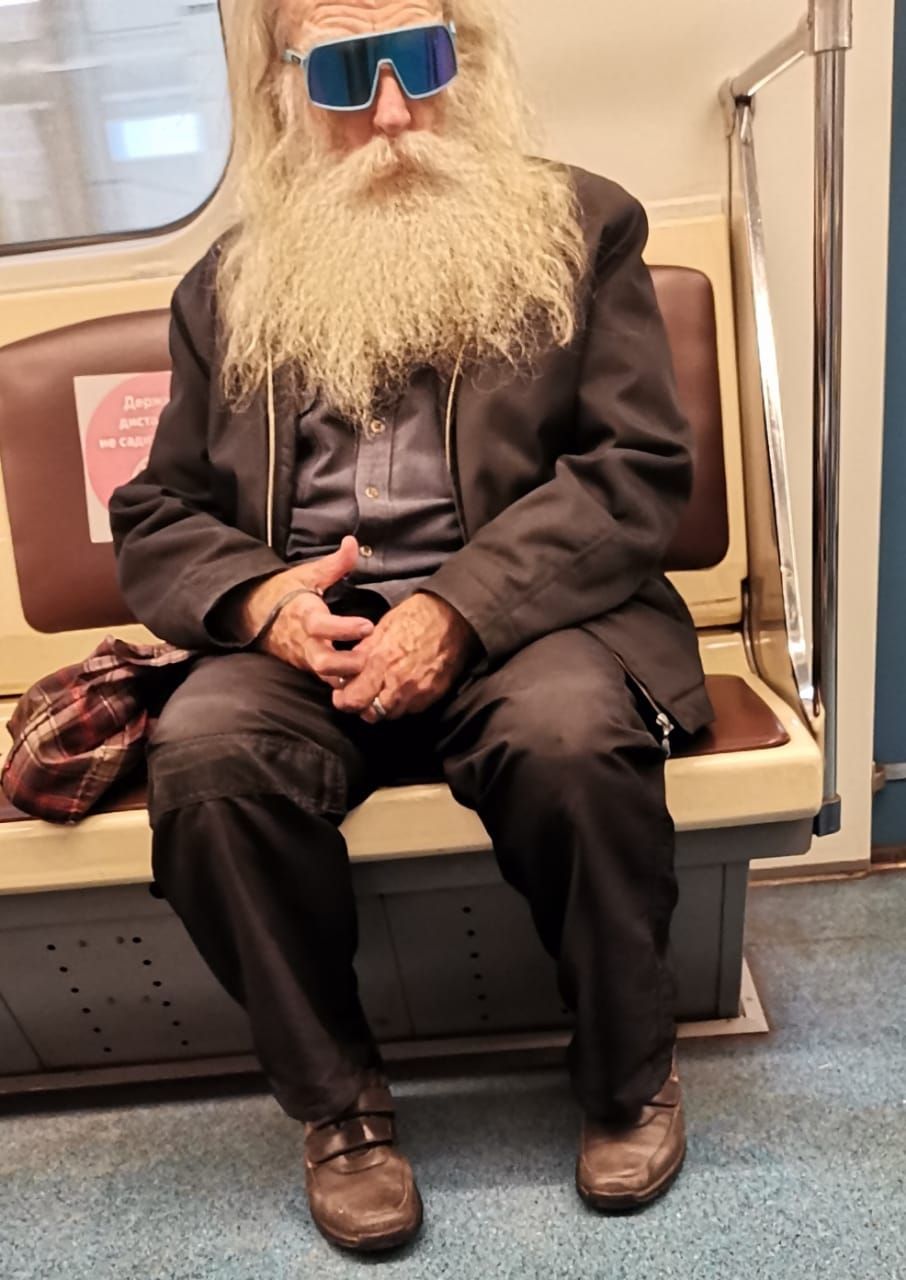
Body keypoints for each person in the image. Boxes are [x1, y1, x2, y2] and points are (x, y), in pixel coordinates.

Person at [110, 0, 713, 1254]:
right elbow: (158, 511)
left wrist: (459, 603)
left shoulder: (581, 228)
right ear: (285, 89)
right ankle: (340, 1113)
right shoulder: (225, 289)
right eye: (343, 72)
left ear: (464, 63)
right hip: (311, 634)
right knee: (208, 758)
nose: (392, 111)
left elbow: (635, 472)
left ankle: (627, 1073)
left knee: (571, 736)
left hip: (529, 611)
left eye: (421, 61)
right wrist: (265, 600)